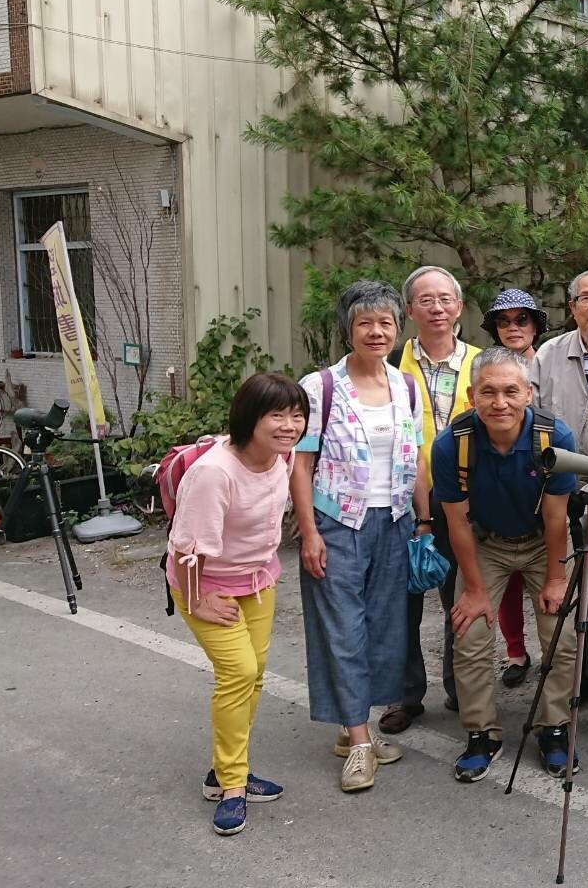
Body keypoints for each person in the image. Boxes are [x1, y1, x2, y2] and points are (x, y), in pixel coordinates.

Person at [292, 280, 430, 793]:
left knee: (383, 630)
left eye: (385, 322)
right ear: (348, 330)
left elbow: (416, 458)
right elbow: (300, 465)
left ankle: (356, 727)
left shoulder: (406, 387)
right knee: (343, 629)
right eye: (364, 322)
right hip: (336, 522)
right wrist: (309, 533)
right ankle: (358, 742)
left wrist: (424, 521)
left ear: (398, 328)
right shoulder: (319, 387)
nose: (376, 331)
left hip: (393, 522)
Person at [432, 348, 584, 782]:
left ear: (528, 393)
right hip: (486, 542)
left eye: (511, 391)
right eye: (488, 392)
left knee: (561, 631)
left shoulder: (555, 437)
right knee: (469, 633)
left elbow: (556, 518)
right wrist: (475, 591)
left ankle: (554, 727)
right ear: (471, 396)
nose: (500, 403)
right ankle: (482, 732)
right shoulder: (452, 445)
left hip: (542, 541)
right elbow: (457, 522)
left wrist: (556, 579)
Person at [168, 372, 307, 835]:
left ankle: (224, 770)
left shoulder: (282, 457)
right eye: (276, 415)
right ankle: (231, 785)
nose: (289, 425)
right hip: (204, 585)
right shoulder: (215, 472)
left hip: (257, 581)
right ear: (250, 418)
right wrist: (197, 600)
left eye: (297, 415)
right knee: (239, 673)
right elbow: (185, 548)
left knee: (254, 674)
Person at [384, 265, 479, 735]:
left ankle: (462, 688)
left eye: (445, 299)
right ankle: (403, 695)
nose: (436, 308)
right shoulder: (389, 365)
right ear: (409, 310)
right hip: (401, 499)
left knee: (461, 597)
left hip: (465, 500)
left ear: (459, 306)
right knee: (402, 602)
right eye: (425, 300)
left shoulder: (481, 362)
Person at [479, 288, 551, 689]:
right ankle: (515, 652)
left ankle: (555, 659)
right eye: (504, 321)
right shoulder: (485, 367)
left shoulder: (551, 360)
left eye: (521, 319)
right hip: (500, 477)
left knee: (551, 577)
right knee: (506, 580)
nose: (513, 327)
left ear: (535, 325)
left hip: (548, 477)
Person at [534, 269, 588, 439]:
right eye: (586, 298)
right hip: (560, 456)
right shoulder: (548, 354)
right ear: (573, 308)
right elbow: (531, 417)